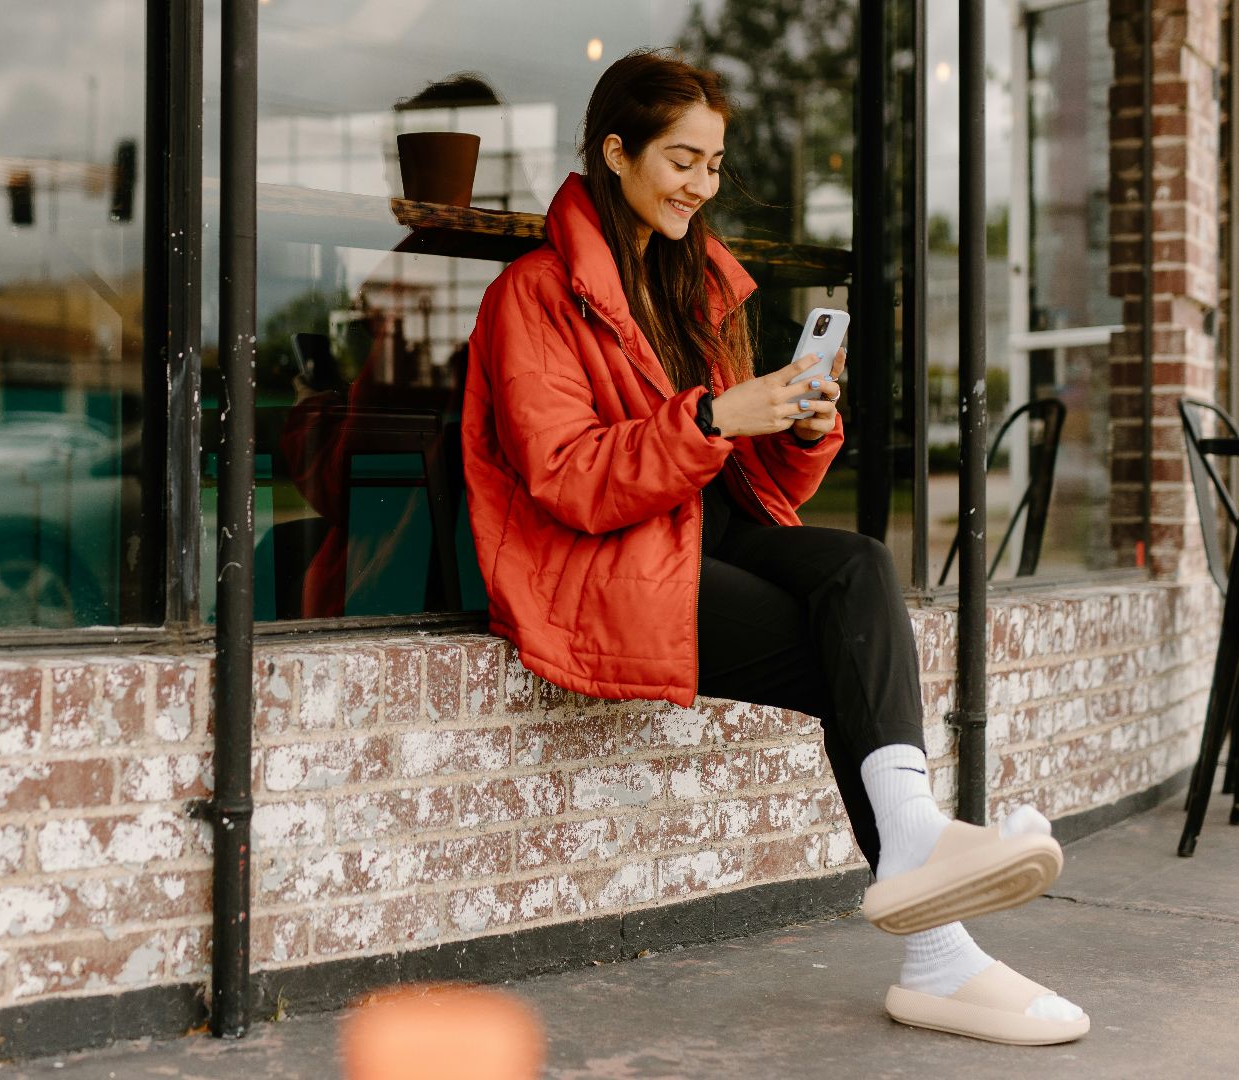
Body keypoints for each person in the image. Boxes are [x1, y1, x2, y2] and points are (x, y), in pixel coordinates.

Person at [460, 48, 1089, 1045]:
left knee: (860, 567)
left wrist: (794, 430)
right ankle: (939, 949)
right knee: (853, 661)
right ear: (614, 152)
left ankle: (920, 871)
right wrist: (714, 414)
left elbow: (759, 481)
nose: (701, 187)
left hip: (706, 534)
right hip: (602, 567)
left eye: (714, 165)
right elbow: (568, 479)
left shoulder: (694, 288)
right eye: (681, 160)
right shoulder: (533, 295)